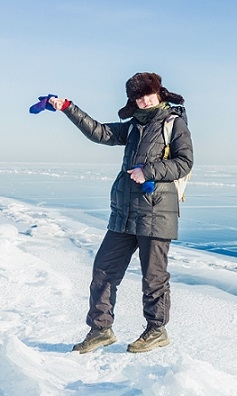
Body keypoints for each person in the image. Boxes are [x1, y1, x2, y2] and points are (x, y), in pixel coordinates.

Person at [49, 72, 193, 354]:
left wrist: (148, 171)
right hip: (124, 213)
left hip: (156, 212)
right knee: (103, 271)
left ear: (159, 92)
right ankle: (101, 330)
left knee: (154, 278)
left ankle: (156, 330)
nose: (143, 100)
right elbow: (100, 132)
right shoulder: (133, 127)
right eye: (137, 97)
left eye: (147, 94)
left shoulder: (173, 124)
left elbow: (184, 162)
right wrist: (68, 108)